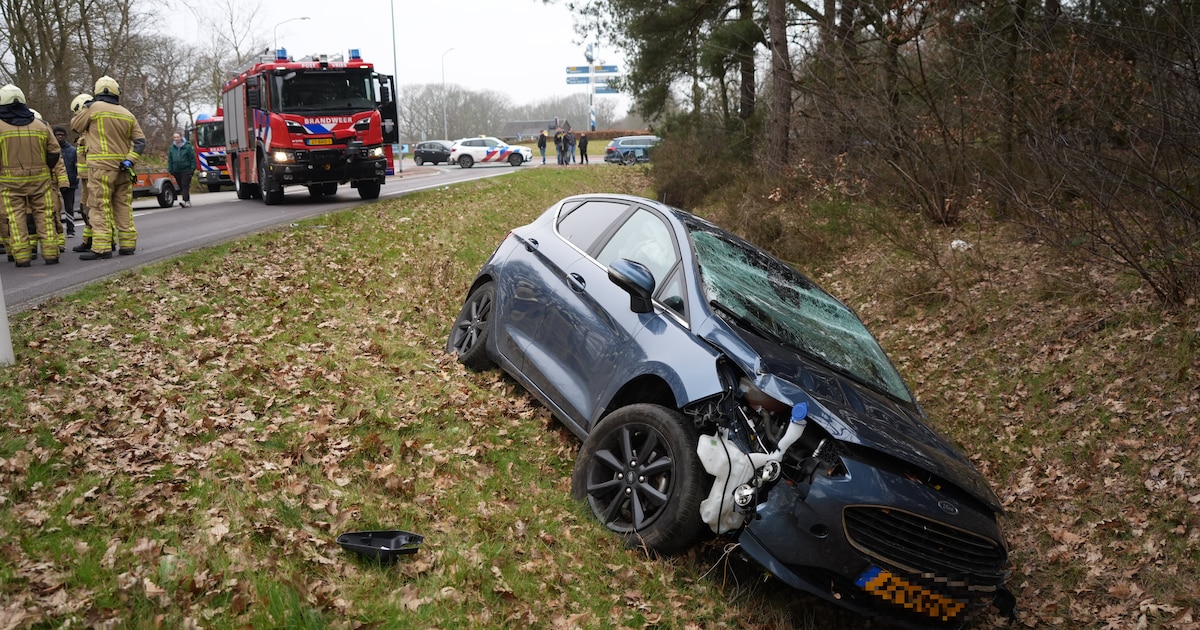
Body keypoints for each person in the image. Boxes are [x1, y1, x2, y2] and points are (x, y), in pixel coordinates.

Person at [71, 76, 145, 260]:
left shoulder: (93, 108)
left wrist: (87, 107)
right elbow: (140, 141)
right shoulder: (127, 113)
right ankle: (128, 245)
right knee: (123, 206)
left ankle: (102, 248)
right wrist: (129, 160)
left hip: (101, 169)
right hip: (123, 169)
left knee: (99, 206)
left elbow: (76, 125)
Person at [0, 85, 60, 267]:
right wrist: (45, 168)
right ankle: (51, 254)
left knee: (16, 219)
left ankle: (22, 258)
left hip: (9, 182)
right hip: (40, 180)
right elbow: (54, 150)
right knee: (45, 216)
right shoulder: (41, 124)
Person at [53, 126, 77, 236]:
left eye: (62, 135)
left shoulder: (72, 150)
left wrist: (74, 179)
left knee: (69, 207)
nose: (59, 137)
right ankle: (57, 229)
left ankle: (70, 229)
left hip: (70, 183)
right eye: (57, 135)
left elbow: (77, 166)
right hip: (54, 184)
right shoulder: (51, 150)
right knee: (55, 207)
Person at [167, 130, 193, 208]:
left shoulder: (187, 147)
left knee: (185, 184)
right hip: (176, 170)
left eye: (177, 137)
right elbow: (170, 159)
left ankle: (185, 201)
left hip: (186, 169)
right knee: (181, 186)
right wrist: (170, 169)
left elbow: (192, 158)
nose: (176, 139)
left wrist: (192, 169)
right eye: (175, 137)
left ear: (181, 137)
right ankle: (187, 200)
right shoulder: (172, 148)